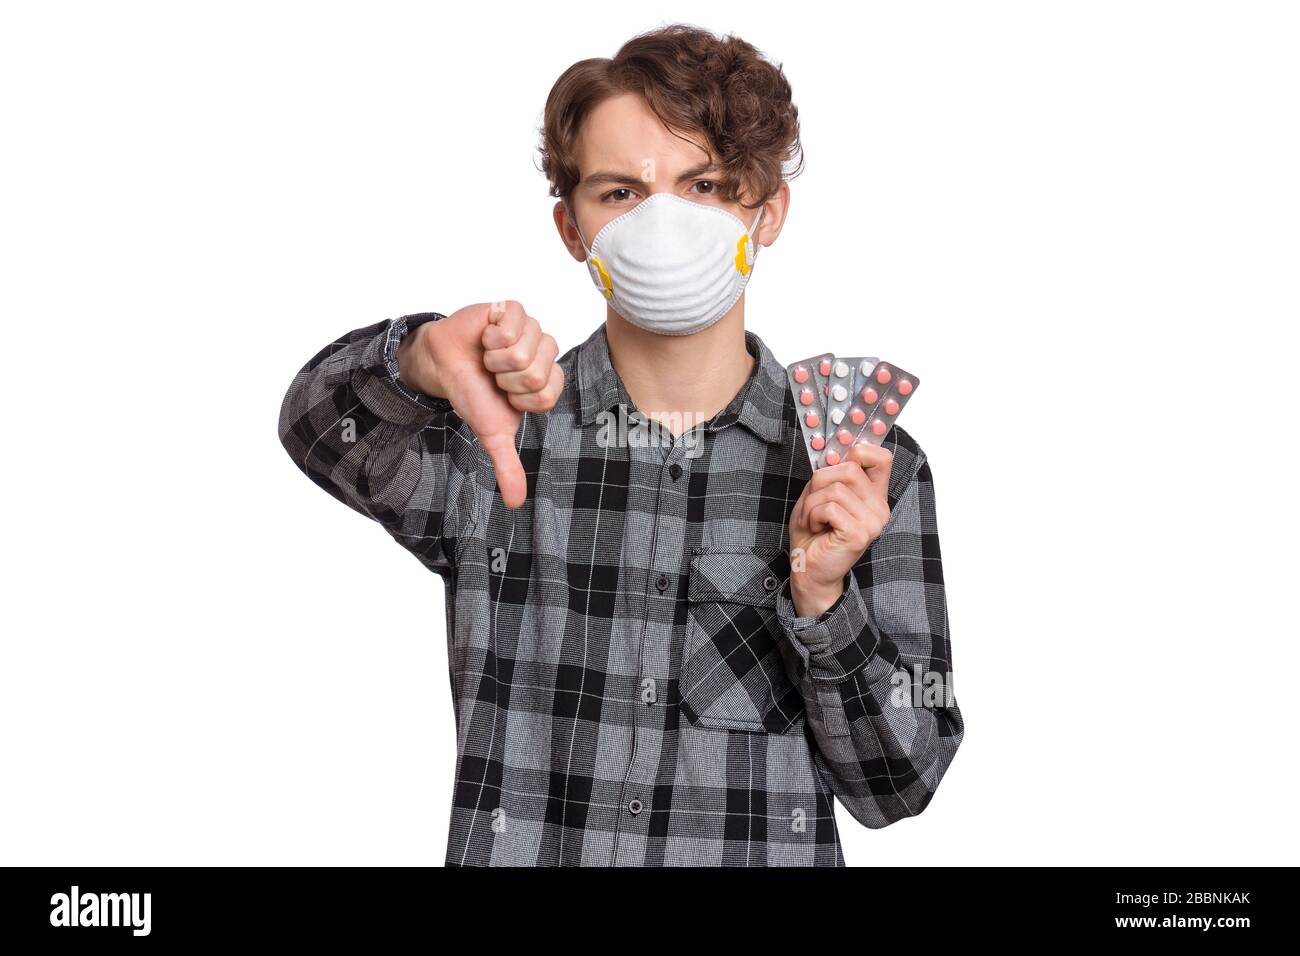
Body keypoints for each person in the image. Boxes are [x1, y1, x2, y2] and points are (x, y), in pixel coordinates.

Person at [278, 23, 963, 866]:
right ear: (572, 230)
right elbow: (314, 426)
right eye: (621, 192)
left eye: (704, 182)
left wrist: (825, 606)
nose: (664, 220)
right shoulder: (494, 438)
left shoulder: (859, 466)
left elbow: (902, 782)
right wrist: (417, 358)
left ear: (768, 209)